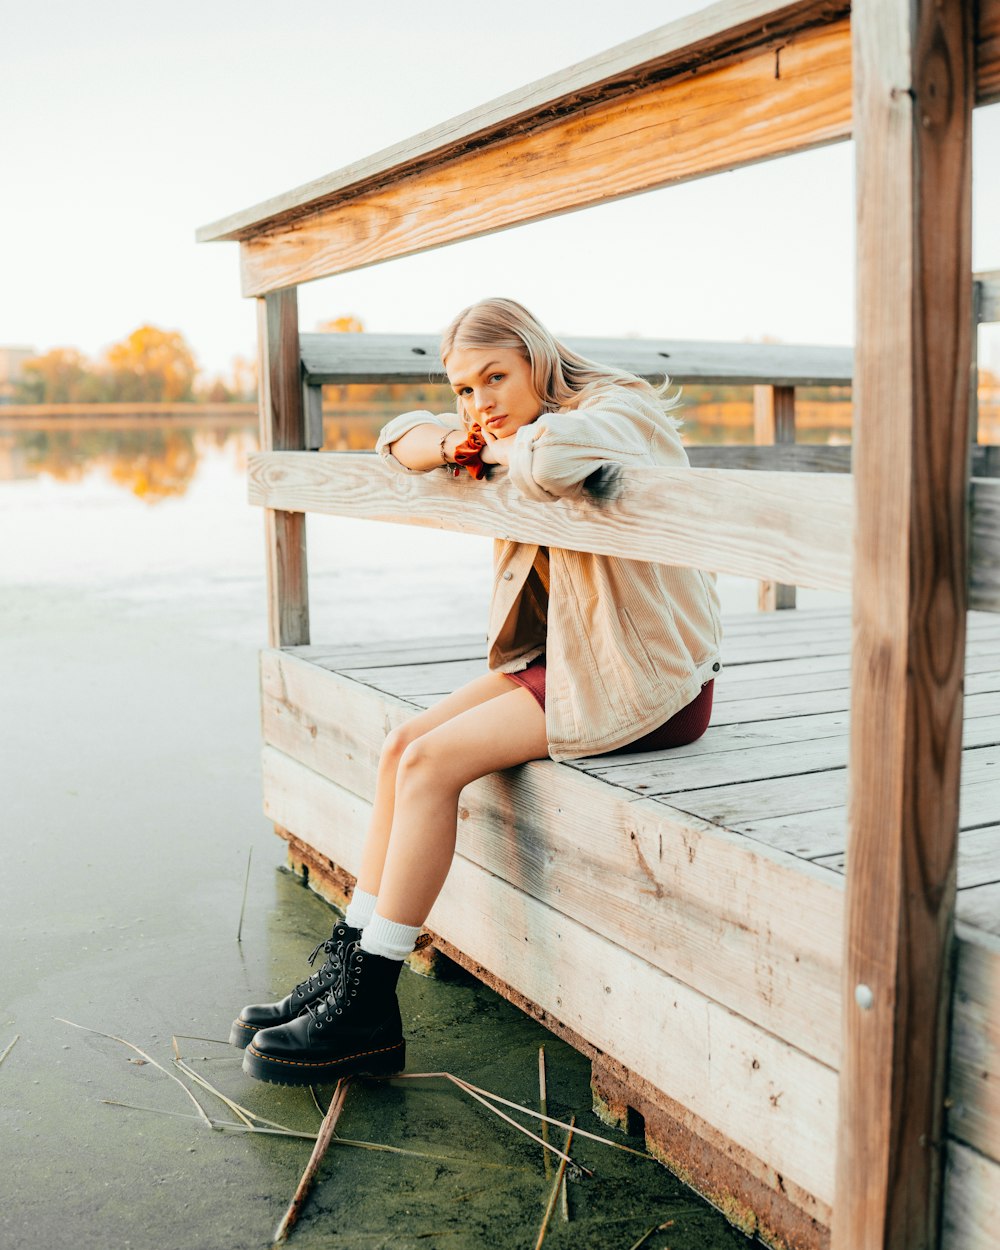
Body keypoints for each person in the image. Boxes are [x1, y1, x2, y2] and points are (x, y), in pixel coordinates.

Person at [233, 298, 723, 1085]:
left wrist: (487, 446)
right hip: (569, 655)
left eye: (495, 377)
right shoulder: (507, 422)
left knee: (433, 765)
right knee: (402, 746)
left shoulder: (618, 409)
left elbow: (549, 461)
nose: (481, 401)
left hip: (646, 677)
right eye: (465, 387)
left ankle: (371, 1008)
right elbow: (398, 438)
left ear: (536, 357)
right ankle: (349, 959)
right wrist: (450, 437)